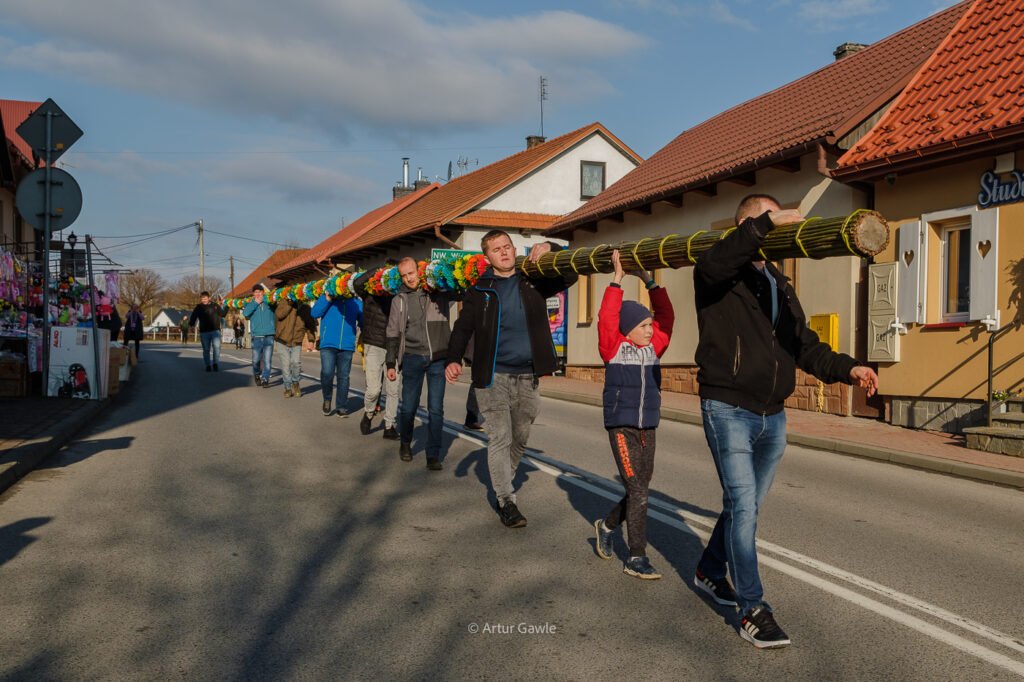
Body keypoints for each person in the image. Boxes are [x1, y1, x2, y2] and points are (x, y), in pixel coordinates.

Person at [692, 194, 879, 649]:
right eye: (770, 223)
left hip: (772, 416)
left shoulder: (778, 282)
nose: (780, 231)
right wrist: (765, 225)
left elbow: (805, 345)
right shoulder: (717, 271)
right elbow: (719, 262)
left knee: (746, 505)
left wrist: (847, 367)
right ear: (749, 225)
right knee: (742, 504)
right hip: (728, 408)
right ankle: (753, 608)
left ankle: (710, 570)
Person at [446, 232, 577, 527]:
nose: (503, 253)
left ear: (514, 249)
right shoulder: (481, 289)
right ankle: (506, 499)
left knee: (520, 437)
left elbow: (570, 275)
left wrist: (551, 248)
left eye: (507, 247)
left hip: (528, 375)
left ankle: (505, 478)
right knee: (500, 438)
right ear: (488, 257)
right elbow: (462, 327)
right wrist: (453, 358)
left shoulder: (533, 280)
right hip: (493, 377)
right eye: (496, 249)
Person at [593, 250, 674, 579]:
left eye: (650, 325)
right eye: (643, 325)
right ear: (627, 329)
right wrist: (617, 280)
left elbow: (667, 317)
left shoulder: (654, 346)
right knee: (639, 489)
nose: (649, 329)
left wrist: (649, 280)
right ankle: (637, 556)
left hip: (647, 428)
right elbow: (607, 318)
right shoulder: (613, 346)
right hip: (621, 427)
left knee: (639, 487)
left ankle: (607, 524)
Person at [385, 257, 458, 471]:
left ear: (420, 270)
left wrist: (443, 276)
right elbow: (392, 332)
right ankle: (406, 442)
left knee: (436, 408)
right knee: (408, 407)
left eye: (412, 273)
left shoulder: (437, 292)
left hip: (438, 358)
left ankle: (433, 454)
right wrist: (391, 363)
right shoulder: (399, 299)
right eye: (405, 275)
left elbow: (460, 289)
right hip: (412, 357)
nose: (409, 278)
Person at [355, 261, 400, 439]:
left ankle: (389, 425)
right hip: (373, 343)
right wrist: (376, 270)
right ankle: (368, 413)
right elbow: (357, 284)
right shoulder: (369, 293)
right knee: (374, 389)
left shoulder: (399, 295)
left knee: (393, 389)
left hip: (395, 345)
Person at [311, 287, 362, 416]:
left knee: (343, 377)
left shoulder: (356, 302)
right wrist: (327, 298)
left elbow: (364, 322)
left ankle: (341, 406)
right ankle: (327, 398)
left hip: (347, 346)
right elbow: (314, 313)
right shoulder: (329, 299)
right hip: (328, 344)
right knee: (327, 373)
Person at [275, 297, 317, 398]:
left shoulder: (305, 308)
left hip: (296, 341)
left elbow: (311, 325)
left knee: (296, 364)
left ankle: (296, 383)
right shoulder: (283, 302)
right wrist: (290, 304)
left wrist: (311, 340)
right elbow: (279, 315)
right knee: (286, 366)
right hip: (282, 340)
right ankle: (288, 388)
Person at [242, 284, 276, 387]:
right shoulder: (251, 304)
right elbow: (246, 313)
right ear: (253, 294)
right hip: (257, 336)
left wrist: (266, 300)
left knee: (267, 360)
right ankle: (257, 374)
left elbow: (276, 306)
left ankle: (265, 379)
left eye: (260, 292)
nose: (258, 294)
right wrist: (256, 303)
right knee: (256, 360)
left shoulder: (269, 303)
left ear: (263, 293)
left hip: (269, 335)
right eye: (256, 292)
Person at [189, 291, 225, 372]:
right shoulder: (198, 307)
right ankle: (208, 365)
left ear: (209, 298)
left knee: (217, 347)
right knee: (206, 349)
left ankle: (215, 363)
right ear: (201, 299)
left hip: (215, 331)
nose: (204, 300)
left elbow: (222, 314)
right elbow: (193, 316)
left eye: (205, 298)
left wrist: (227, 306)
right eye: (202, 299)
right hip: (204, 332)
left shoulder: (215, 305)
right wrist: (191, 324)